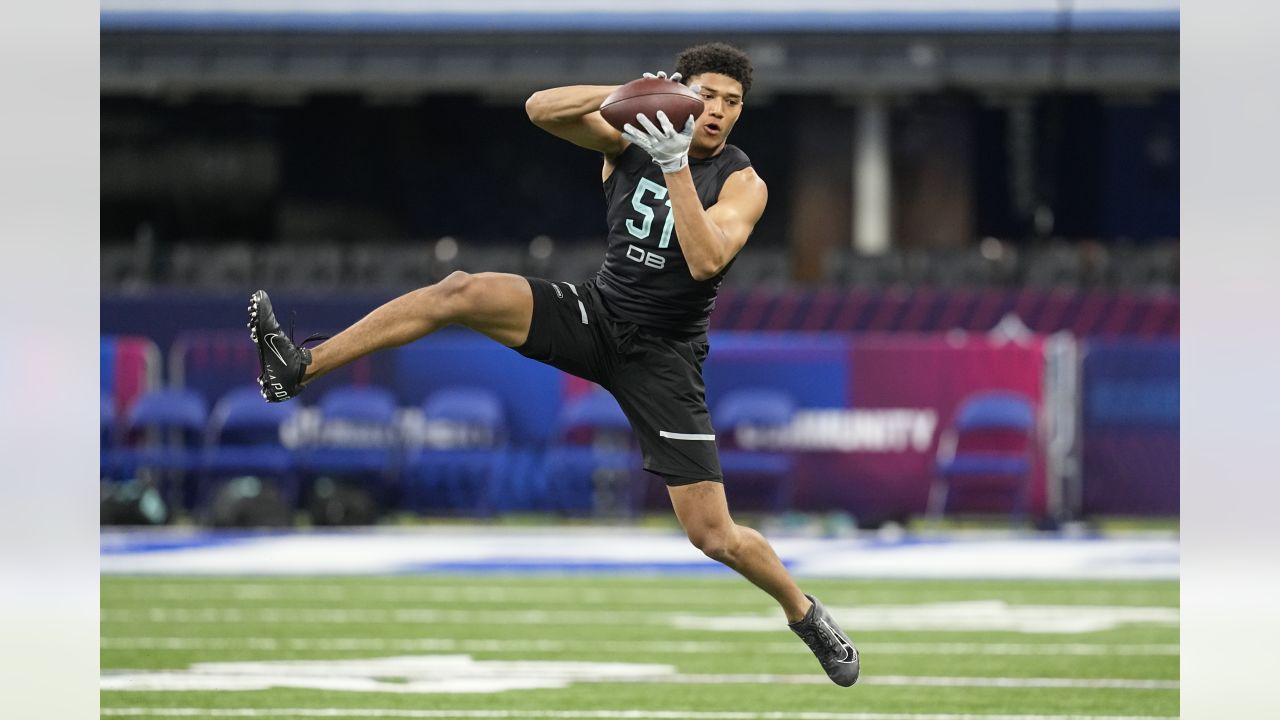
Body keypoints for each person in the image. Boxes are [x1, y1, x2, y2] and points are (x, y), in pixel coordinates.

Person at [248, 42, 859, 687]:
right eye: (706, 95)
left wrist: (676, 165)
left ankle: (804, 612)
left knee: (713, 535)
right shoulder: (631, 136)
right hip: (597, 315)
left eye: (732, 103)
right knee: (460, 290)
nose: (719, 111)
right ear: (683, 91)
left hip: (663, 356)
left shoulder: (743, 181)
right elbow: (540, 109)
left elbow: (706, 259)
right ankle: (299, 365)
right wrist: (636, 96)